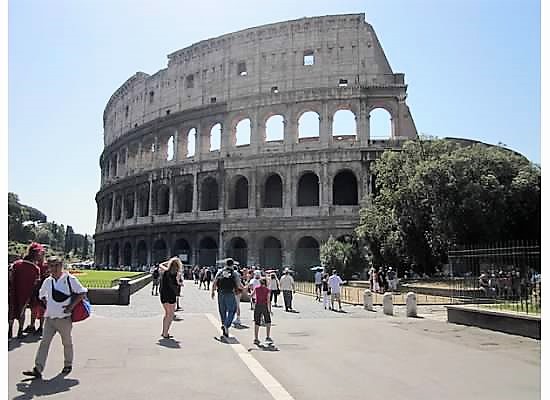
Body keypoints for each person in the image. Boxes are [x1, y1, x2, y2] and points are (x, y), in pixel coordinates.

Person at [22, 257, 88, 379]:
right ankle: (38, 368)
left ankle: (68, 364)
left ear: (61, 265)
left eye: (56, 265)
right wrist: (47, 304)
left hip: (64, 318)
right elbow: (41, 295)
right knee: (44, 343)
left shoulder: (70, 279)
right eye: (51, 266)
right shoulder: (48, 281)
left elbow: (82, 292)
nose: (53, 268)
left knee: (67, 343)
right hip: (50, 319)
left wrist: (71, 307)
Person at [11, 243, 42, 338]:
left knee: (11, 311)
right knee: (22, 311)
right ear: (35, 254)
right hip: (26, 295)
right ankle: (20, 331)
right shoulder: (35, 268)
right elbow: (36, 284)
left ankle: (9, 331)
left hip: (13, 292)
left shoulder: (16, 264)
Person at [211, 258, 243, 339]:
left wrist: (212, 292)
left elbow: (214, 282)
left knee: (222, 311)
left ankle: (225, 330)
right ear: (232, 265)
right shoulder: (234, 273)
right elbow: (239, 285)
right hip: (230, 293)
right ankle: (226, 325)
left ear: (225, 264)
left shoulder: (220, 271)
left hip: (220, 293)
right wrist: (244, 288)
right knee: (232, 310)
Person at [158, 257, 182, 338]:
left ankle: (164, 332)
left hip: (163, 295)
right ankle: (165, 333)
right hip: (171, 295)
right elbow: (178, 283)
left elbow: (160, 265)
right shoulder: (177, 274)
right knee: (170, 315)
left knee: (166, 314)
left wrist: (168, 261)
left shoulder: (165, 271)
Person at [253, 278, 273, 345]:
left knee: (257, 322)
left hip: (257, 306)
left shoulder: (256, 289)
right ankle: (267, 336)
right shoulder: (267, 290)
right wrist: (270, 310)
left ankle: (256, 338)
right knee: (268, 321)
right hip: (264, 306)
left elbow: (251, 295)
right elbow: (268, 301)